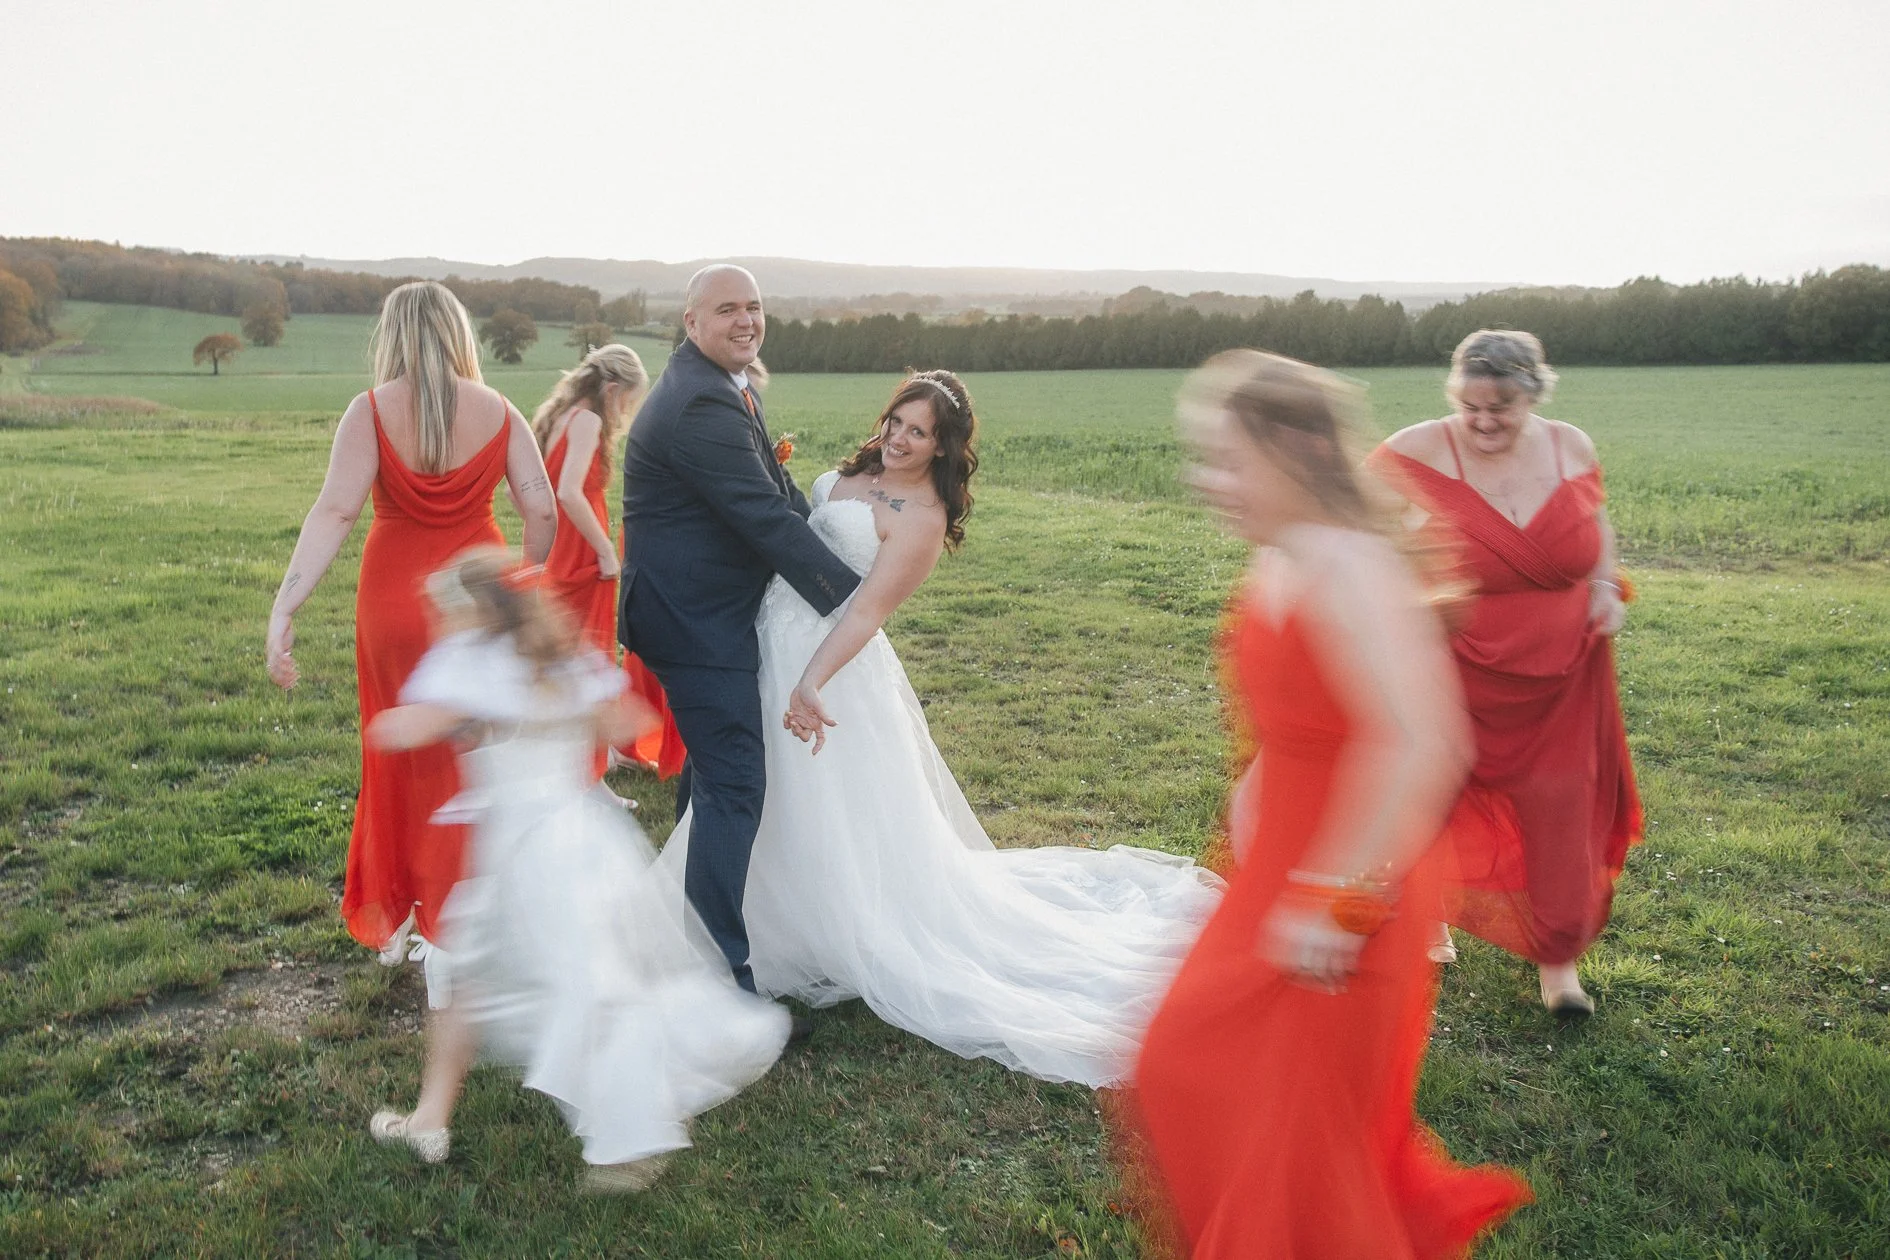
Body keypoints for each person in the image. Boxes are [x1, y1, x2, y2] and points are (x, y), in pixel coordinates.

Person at [656, 370, 1224, 1087]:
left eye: (917, 432)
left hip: (830, 665)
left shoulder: (921, 516)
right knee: (751, 791)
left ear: (942, 447)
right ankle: (737, 920)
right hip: (764, 640)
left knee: (821, 803)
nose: (897, 438)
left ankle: (821, 928)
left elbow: (864, 613)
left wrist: (811, 680)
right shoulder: (850, 474)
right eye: (895, 421)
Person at [1131, 350, 1530, 1258]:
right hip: (1281, 866)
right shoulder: (1282, 554)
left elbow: (1427, 743)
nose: (1209, 481)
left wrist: (1340, 902)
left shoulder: (1355, 567)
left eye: (1228, 459)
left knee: (1298, 1135)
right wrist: (1258, 787)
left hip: (1357, 881)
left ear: (1299, 449)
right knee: (1183, 1061)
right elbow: (1305, 713)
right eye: (1203, 458)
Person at [363, 549, 788, 1191]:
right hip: (585, 838)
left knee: (584, 988)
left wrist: (453, 714)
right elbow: (634, 721)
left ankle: (631, 1133)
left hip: (526, 853)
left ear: (469, 611)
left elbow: (394, 732)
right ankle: (431, 1116)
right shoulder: (560, 659)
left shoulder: (469, 664)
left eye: (445, 611)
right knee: (475, 971)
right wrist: (563, 712)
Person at [265, 280, 557, 973]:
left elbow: (334, 513)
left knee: (396, 757)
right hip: (476, 605)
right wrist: (525, 584)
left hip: (393, 601)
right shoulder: (502, 410)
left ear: (390, 336)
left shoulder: (368, 412)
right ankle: (465, 913)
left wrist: (285, 607)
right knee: (468, 755)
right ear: (459, 333)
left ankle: (398, 915)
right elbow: (542, 511)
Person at [1372, 329, 1643, 1015]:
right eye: (1471, 407)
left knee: (1562, 800)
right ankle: (1427, 914)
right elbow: (1354, 518)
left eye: (1503, 407)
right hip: (1457, 661)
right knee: (1438, 783)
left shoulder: (1570, 446)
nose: (1485, 421)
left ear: (1534, 396)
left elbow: (1598, 524)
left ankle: (1560, 967)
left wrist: (1606, 586)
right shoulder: (1417, 448)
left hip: (1564, 671)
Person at [619, 264, 862, 997]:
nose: (746, 320)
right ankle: (716, 969)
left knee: (710, 769)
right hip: (693, 622)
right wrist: (848, 600)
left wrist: (828, 534)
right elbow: (759, 518)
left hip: (696, 610)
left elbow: (776, 492)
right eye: (727, 309)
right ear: (691, 322)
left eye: (755, 307)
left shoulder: (727, 387)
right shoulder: (698, 403)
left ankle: (675, 921)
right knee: (735, 782)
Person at [530, 343, 651, 791]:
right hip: (583, 559)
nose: (626, 412)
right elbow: (568, 492)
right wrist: (604, 550)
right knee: (591, 666)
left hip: (561, 557)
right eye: (629, 401)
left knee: (571, 667)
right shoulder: (589, 421)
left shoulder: (560, 414)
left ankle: (595, 760)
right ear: (614, 389)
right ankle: (588, 780)